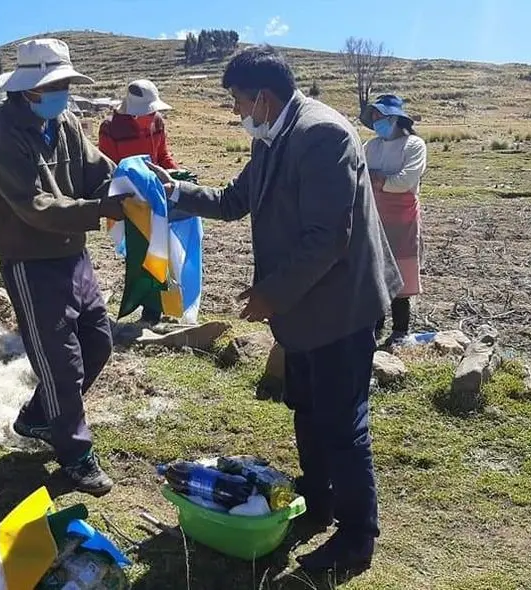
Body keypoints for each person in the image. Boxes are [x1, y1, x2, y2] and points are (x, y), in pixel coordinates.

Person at [147, 45, 403, 574]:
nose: (237, 112)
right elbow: (234, 199)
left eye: (238, 102)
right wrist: (177, 192)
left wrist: (272, 295)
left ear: (262, 97)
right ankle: (319, 499)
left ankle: (357, 538)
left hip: (341, 306)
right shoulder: (272, 136)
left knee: (343, 424)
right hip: (304, 308)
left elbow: (327, 238)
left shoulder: (321, 135)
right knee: (307, 408)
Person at [0, 38, 129, 496]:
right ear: (28, 89)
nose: (63, 92)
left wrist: (135, 179)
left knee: (97, 344)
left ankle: (39, 417)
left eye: (65, 83)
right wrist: (101, 210)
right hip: (30, 260)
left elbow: (97, 170)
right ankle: (77, 456)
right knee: (60, 364)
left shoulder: (64, 121)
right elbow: (33, 206)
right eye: (56, 85)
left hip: (72, 255)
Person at [98, 79, 180, 325]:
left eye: (153, 111)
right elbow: (109, 169)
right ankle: (147, 306)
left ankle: (162, 306)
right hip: (132, 204)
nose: (151, 116)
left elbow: (162, 155)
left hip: (159, 197)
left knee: (163, 251)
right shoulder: (110, 129)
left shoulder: (157, 122)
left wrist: (176, 174)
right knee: (139, 256)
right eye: (147, 112)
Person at [361, 95, 427, 347]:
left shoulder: (414, 145)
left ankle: (400, 331)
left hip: (402, 219)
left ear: (395, 118)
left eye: (380, 116)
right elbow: (361, 175)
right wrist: (377, 180)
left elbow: (405, 181)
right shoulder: (371, 146)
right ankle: (373, 328)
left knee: (400, 275)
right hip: (374, 216)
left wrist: (379, 180)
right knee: (375, 272)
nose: (376, 121)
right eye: (374, 117)